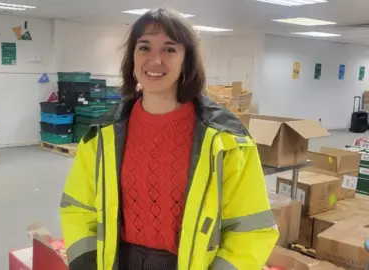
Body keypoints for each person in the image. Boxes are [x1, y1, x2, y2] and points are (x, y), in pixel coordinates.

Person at [60, 8, 278, 270]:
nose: (155, 60)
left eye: (169, 49)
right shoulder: (102, 135)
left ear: (187, 60)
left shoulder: (227, 140)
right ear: (132, 57)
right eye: (144, 48)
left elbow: (251, 229)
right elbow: (78, 209)